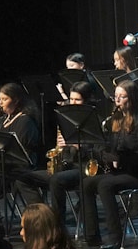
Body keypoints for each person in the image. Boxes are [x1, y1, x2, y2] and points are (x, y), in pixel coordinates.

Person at [10, 81, 98, 223]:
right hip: (66, 165)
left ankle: (57, 223)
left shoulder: (93, 120)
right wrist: (60, 147)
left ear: (87, 101)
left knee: (57, 180)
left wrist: (76, 146)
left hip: (83, 167)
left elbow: (97, 150)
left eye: (78, 100)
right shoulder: (66, 118)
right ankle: (42, 216)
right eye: (72, 99)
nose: (73, 103)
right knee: (22, 178)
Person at [82, 79, 138, 249]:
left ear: (132, 99)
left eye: (122, 96)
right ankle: (92, 236)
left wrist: (120, 159)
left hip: (137, 175)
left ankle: (115, 236)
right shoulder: (115, 121)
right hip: (119, 172)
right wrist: (102, 152)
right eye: (116, 96)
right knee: (87, 183)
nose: (117, 100)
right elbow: (111, 151)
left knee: (105, 185)